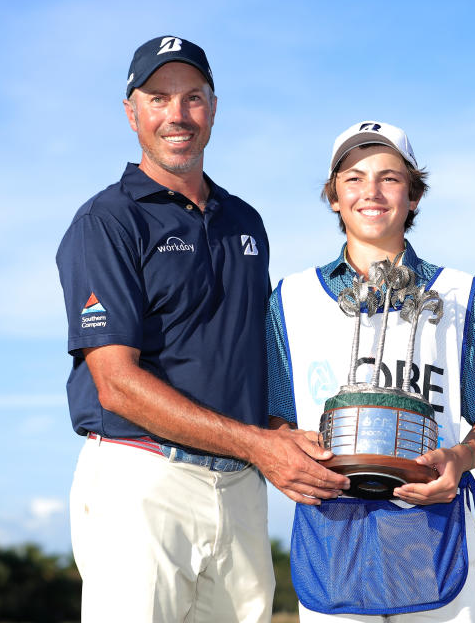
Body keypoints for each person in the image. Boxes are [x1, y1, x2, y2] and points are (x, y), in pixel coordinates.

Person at [55, 35, 349, 623]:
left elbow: (246, 356)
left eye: (192, 98)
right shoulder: (106, 222)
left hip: (240, 487)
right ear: (131, 111)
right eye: (158, 98)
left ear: (212, 108)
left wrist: (285, 436)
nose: (177, 115)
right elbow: (115, 382)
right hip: (142, 480)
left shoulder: (245, 220)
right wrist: (260, 446)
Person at [266, 121, 475, 622]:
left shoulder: (458, 293)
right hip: (333, 532)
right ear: (335, 197)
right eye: (354, 178)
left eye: (390, 178)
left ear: (413, 195)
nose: (372, 192)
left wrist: (460, 459)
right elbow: (275, 419)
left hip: (431, 527)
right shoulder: (290, 298)